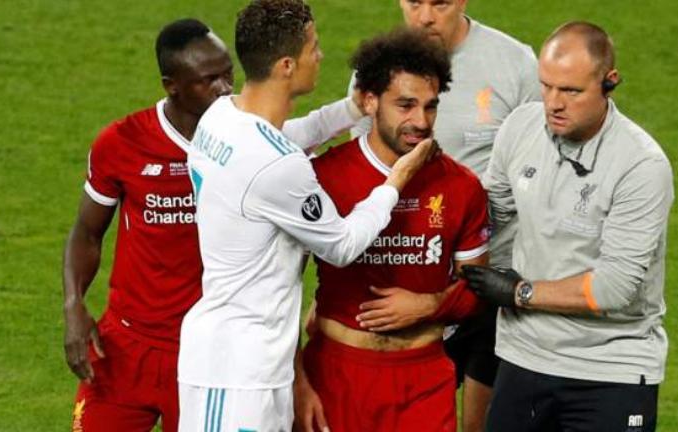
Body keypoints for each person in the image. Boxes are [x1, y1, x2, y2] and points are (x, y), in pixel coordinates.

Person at [62, 18, 371, 432]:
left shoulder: (234, 136)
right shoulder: (123, 143)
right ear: (171, 85)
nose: (225, 89)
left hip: (206, 355)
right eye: (208, 80)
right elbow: (86, 232)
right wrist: (73, 304)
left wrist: (350, 109)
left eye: (228, 74)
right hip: (129, 345)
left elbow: (287, 139)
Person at [176, 3, 436, 432]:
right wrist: (397, 180)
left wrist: (351, 109)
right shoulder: (275, 166)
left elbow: (285, 138)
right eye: (313, 48)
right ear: (286, 65)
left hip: (242, 359)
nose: (320, 56)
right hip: (238, 373)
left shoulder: (222, 116)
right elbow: (342, 245)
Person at [463, 21, 674, 431]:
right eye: (546, 86)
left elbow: (614, 287)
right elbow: (491, 216)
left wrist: (519, 292)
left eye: (571, 91)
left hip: (610, 369)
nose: (554, 103)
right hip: (523, 357)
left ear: (610, 83)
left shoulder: (641, 166)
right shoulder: (520, 129)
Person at [348, 2, 540, 430]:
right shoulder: (377, 73)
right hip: (408, 284)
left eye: (440, 3)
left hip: (490, 283)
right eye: (414, 2)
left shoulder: (515, 65)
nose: (425, 16)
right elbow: (365, 173)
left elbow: (540, 168)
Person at [295, 28, 490, 432]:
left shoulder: (461, 186)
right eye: (405, 105)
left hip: (424, 383)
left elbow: (478, 288)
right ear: (369, 101)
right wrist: (298, 383)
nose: (420, 121)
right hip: (337, 377)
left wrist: (430, 304)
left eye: (430, 107)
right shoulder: (323, 178)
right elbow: (275, 292)